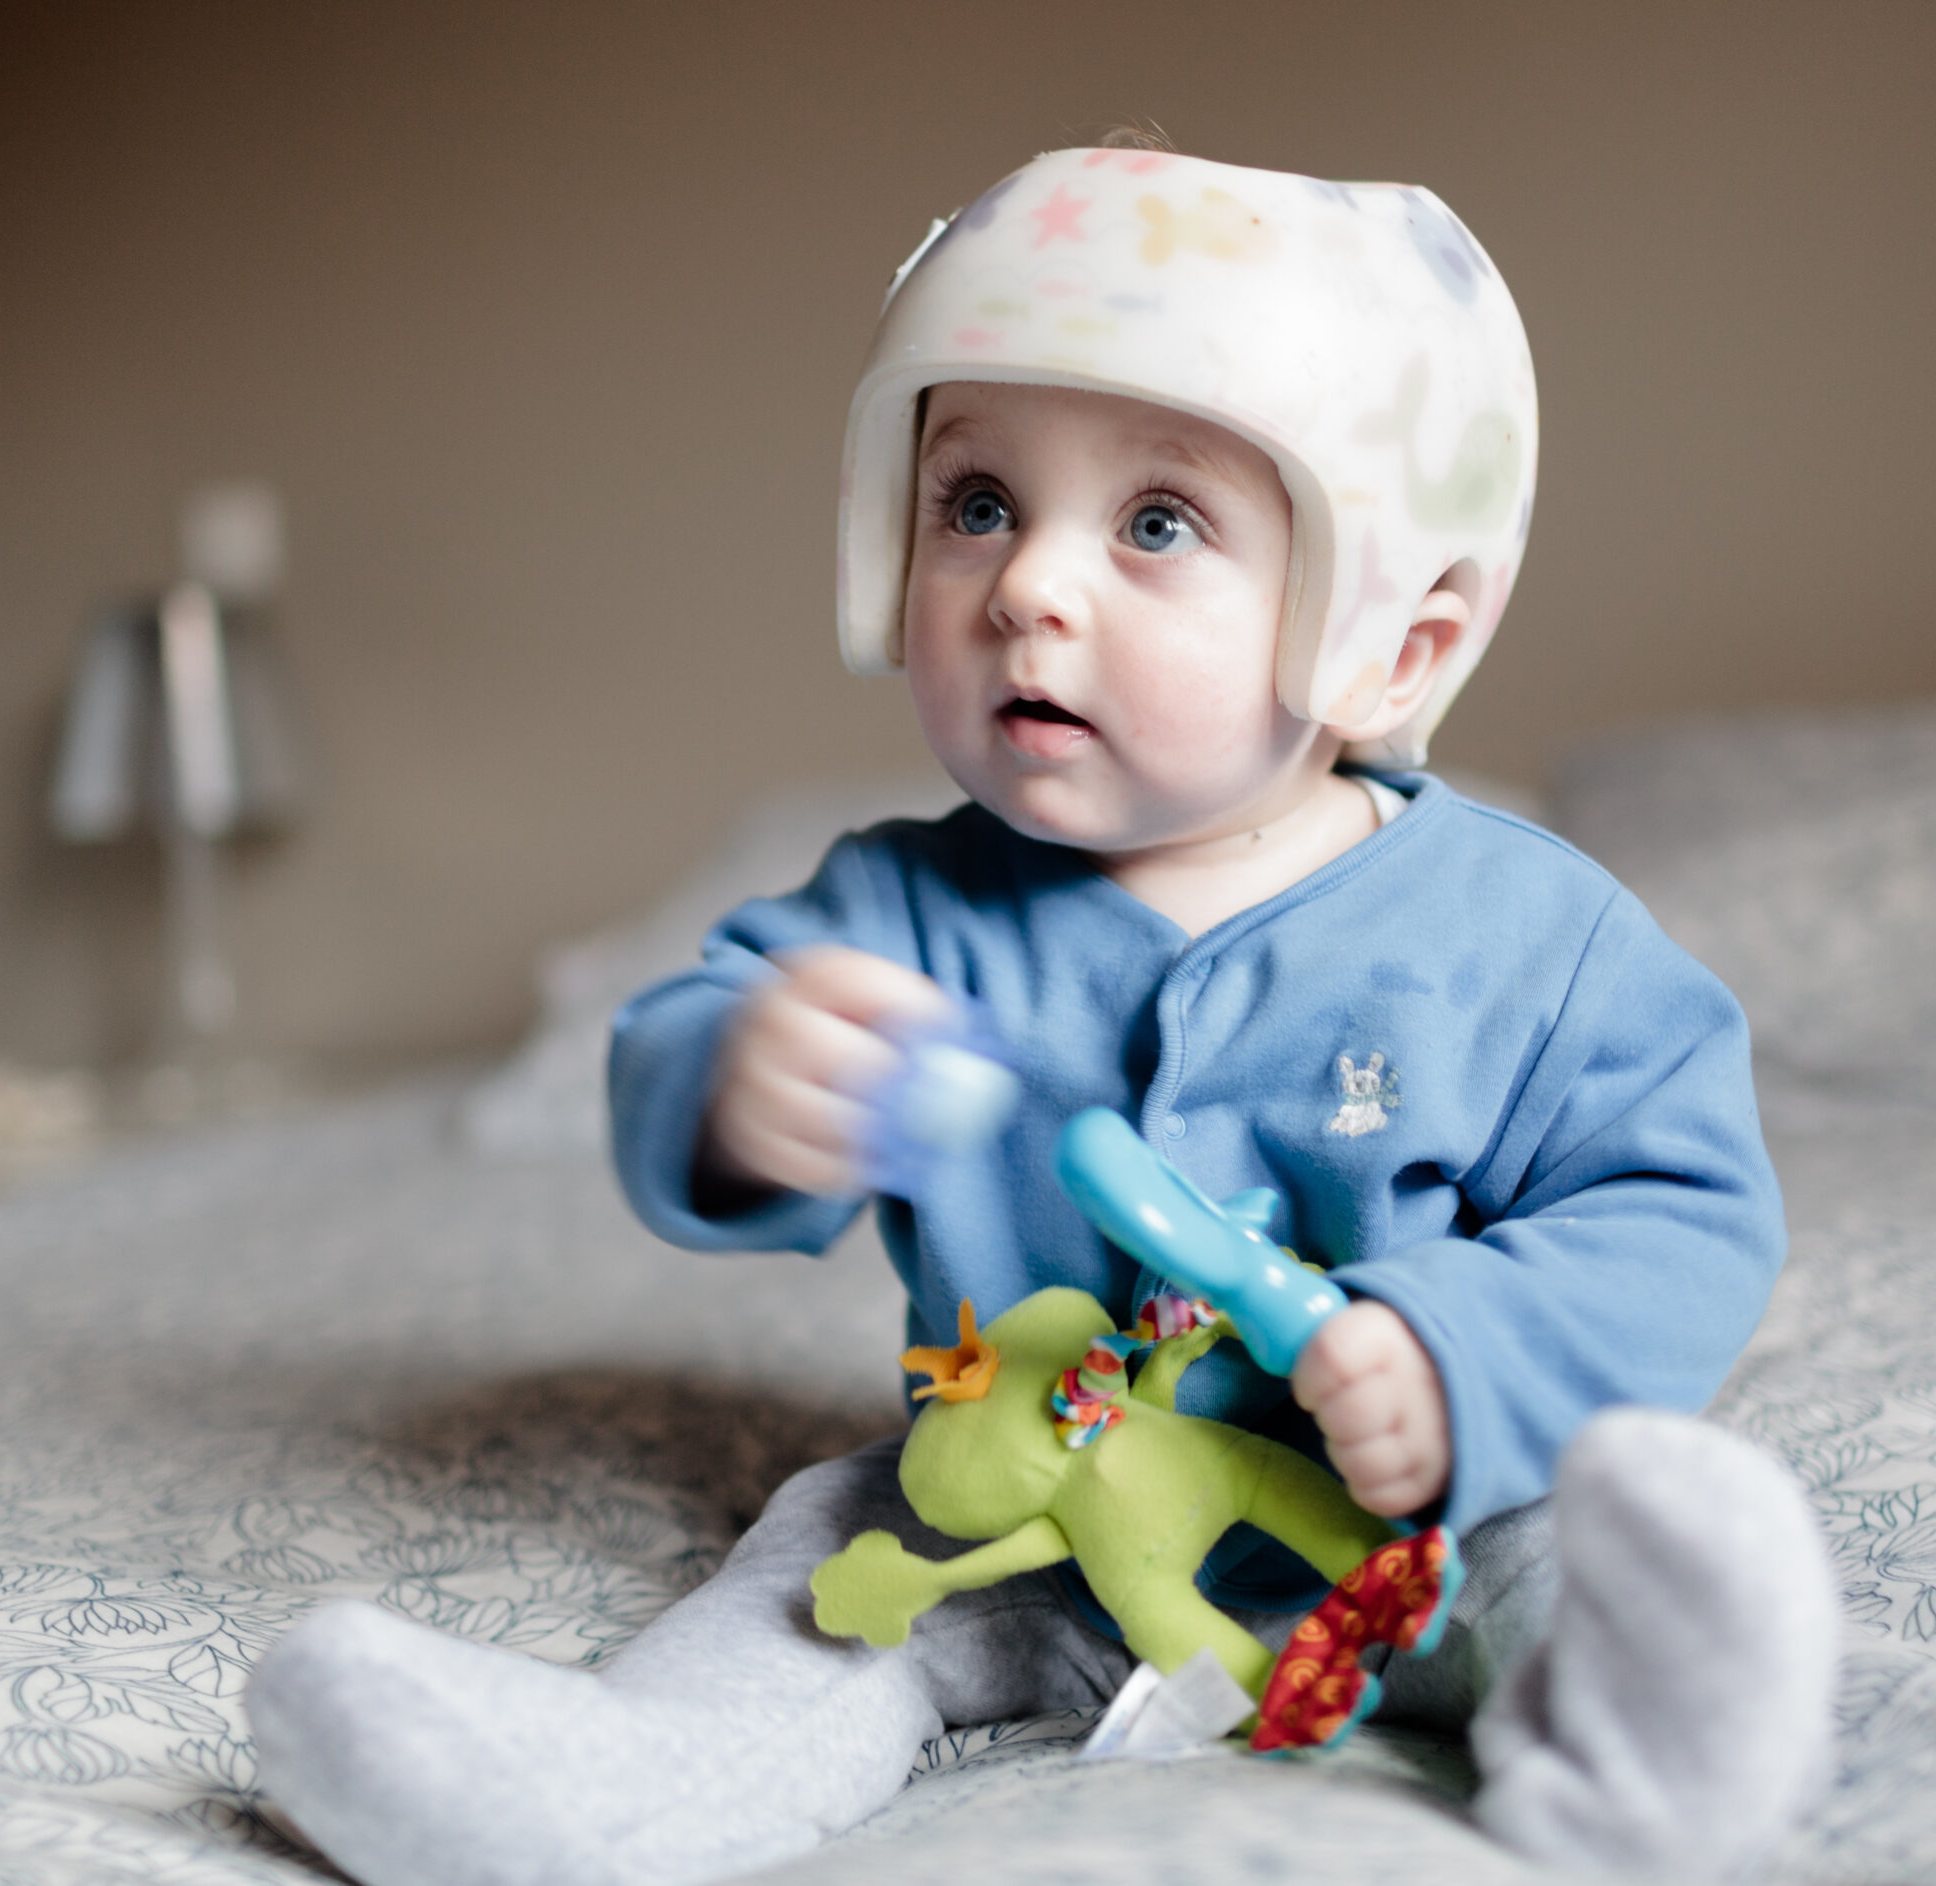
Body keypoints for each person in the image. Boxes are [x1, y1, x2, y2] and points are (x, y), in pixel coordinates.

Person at [247, 146, 1837, 1886]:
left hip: (1416, 1516)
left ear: (1393, 639)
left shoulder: (1534, 941)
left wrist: (1468, 1358)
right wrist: (739, 1078)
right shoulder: (897, 905)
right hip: (1007, 1509)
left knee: (1581, 1555)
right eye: (978, 501)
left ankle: (1666, 1753)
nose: (1024, 586)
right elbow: (673, 1048)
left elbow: (1684, 1210)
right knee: (825, 1553)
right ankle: (592, 1795)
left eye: (1159, 524)